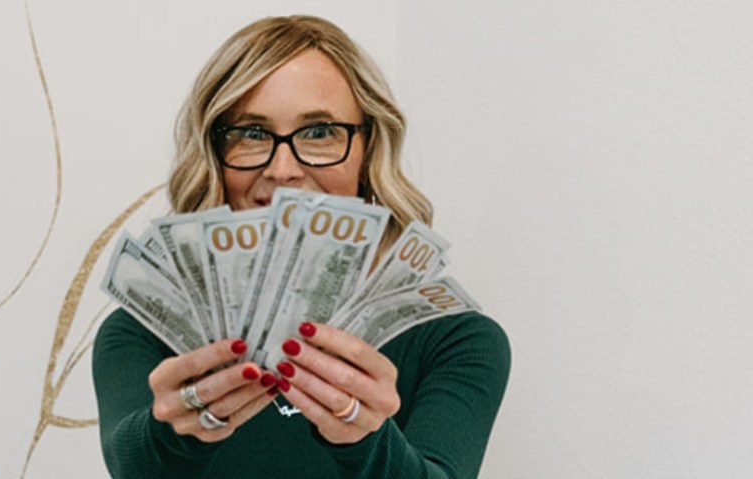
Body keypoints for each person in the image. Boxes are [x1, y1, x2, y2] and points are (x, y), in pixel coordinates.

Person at [93, 15, 510, 478]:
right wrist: (176, 431)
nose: (283, 169)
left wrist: (364, 437)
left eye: (319, 132)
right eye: (252, 133)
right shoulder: (142, 332)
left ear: (368, 149)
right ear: (214, 156)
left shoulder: (457, 340)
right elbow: (132, 467)